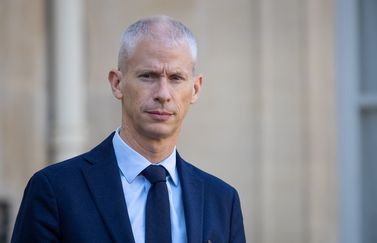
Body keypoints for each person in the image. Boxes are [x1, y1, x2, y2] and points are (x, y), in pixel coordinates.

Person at [11, 16, 246, 243]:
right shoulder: (55, 189)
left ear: (195, 89)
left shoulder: (223, 201)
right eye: (148, 76)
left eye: (176, 77)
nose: (163, 94)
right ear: (117, 83)